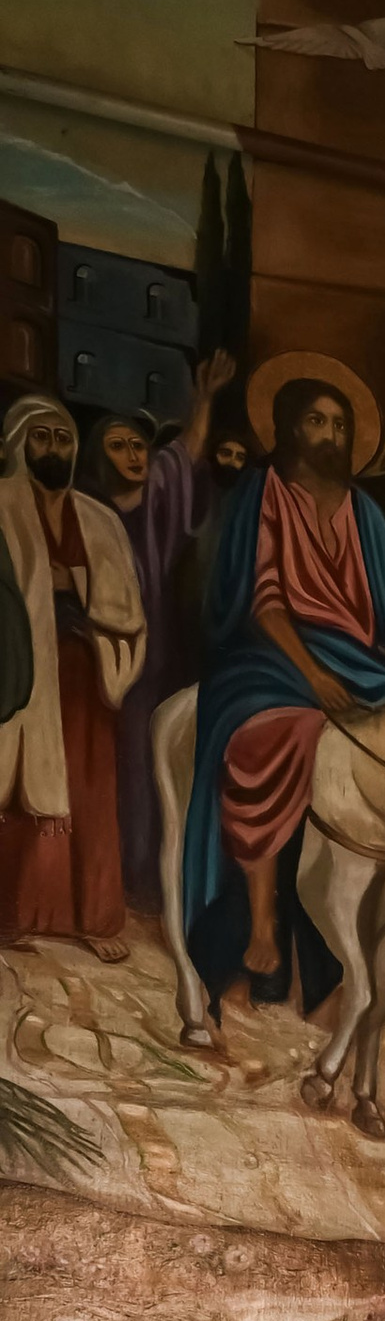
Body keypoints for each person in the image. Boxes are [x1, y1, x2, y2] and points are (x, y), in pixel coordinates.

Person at [180, 359, 385, 1021]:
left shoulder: (366, 514)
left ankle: (345, 949)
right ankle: (259, 924)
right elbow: (262, 601)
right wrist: (314, 675)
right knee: (284, 733)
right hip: (270, 657)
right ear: (288, 427)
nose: (330, 434)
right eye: (317, 420)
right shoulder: (263, 492)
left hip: (361, 664)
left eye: (339, 425)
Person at [82, 350, 232, 929]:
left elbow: (184, 454)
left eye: (138, 445)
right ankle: (104, 880)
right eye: (119, 446)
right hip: (96, 654)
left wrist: (204, 401)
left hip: (153, 653)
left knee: (148, 766)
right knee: (103, 768)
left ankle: (145, 877)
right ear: (99, 455)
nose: (134, 454)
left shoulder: (156, 504)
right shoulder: (87, 510)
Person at [0, 392, 148, 956]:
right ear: (20, 443)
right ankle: (13, 915)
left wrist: (75, 583)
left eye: (63, 438)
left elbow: (126, 606)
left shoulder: (99, 518)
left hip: (86, 671)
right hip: (18, 672)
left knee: (89, 791)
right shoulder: (2, 505)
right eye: (41, 437)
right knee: (15, 783)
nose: (53, 448)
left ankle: (93, 919)